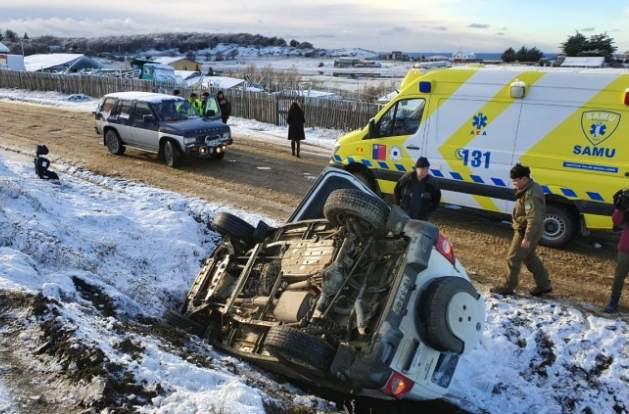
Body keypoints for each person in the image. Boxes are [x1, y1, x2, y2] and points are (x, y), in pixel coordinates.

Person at [491, 163, 552, 296]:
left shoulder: (531, 195)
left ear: (524, 179)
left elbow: (533, 219)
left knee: (513, 258)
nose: (514, 184)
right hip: (530, 229)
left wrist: (527, 238)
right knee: (529, 257)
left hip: (526, 230)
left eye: (515, 181)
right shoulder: (530, 189)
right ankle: (544, 285)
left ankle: (508, 287)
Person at [603, 189, 629, 313]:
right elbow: (617, 222)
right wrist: (620, 208)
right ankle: (613, 302)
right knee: (619, 277)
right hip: (626, 248)